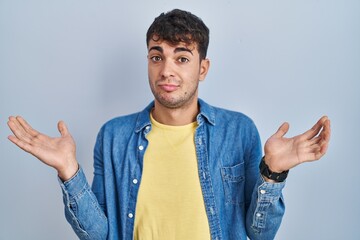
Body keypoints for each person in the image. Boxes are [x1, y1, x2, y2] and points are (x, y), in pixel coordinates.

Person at [7, 9, 331, 240]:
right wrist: (68, 171)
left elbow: (260, 234)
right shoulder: (114, 136)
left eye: (182, 58)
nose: (166, 71)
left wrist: (273, 173)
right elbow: (99, 234)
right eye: (157, 56)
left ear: (203, 69)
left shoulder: (238, 131)